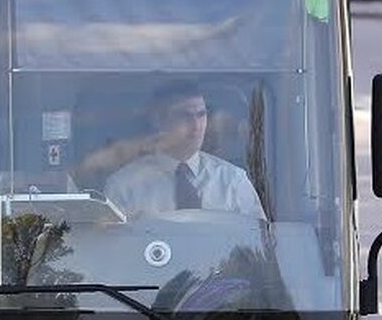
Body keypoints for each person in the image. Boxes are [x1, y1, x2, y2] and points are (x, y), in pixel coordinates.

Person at [102, 78, 265, 220]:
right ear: (158, 121)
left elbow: (259, 245)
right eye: (184, 116)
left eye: (201, 115)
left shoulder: (233, 181)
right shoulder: (124, 187)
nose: (197, 126)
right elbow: (113, 249)